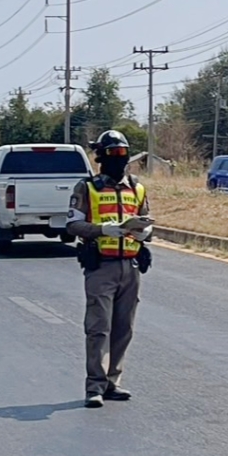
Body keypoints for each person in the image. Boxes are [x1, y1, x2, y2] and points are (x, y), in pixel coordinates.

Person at [66, 130, 154, 408]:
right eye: (112, 154)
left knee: (123, 328)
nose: (118, 159)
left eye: (122, 153)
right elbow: (72, 225)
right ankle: (94, 385)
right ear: (100, 157)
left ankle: (112, 382)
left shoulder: (137, 188)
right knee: (98, 328)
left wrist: (144, 234)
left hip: (130, 266)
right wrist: (103, 229)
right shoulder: (87, 188)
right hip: (101, 266)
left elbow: (147, 222)